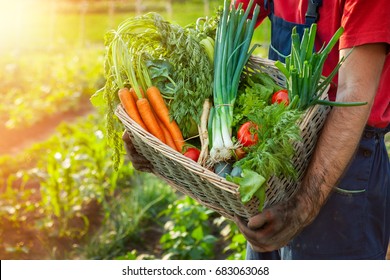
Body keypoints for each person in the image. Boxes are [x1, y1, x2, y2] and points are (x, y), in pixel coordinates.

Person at [122, 0, 390, 260]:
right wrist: (158, 138)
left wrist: (302, 207)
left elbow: (352, 94)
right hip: (277, 148)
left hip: (344, 159)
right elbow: (222, 34)